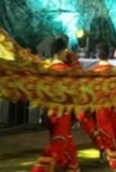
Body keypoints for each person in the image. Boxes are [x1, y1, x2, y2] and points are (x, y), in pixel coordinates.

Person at [31, 39, 81, 172]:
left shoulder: (46, 70)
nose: (66, 54)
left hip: (49, 112)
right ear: (60, 52)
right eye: (65, 51)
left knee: (67, 141)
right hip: (62, 113)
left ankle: (73, 167)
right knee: (58, 144)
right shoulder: (66, 71)